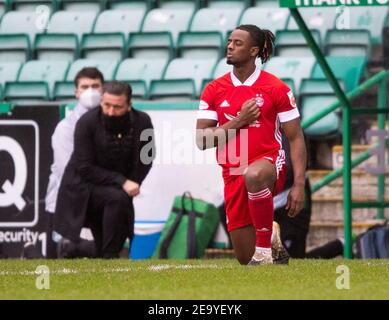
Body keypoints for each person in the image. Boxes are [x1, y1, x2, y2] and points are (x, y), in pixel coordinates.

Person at [196, 25, 307, 265]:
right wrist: (239, 121)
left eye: (238, 43)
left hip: (269, 162)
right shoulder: (213, 90)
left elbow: (296, 137)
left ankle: (265, 249)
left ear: (254, 50)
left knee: (254, 174)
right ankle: (271, 237)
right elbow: (202, 140)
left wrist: (299, 185)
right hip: (233, 170)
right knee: (246, 260)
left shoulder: (276, 88)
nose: (230, 46)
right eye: (229, 41)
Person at [54, 81, 155, 258]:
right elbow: (84, 167)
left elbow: (147, 158)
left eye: (117, 107)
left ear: (129, 105)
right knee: (118, 199)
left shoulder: (143, 121)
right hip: (83, 186)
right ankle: (109, 255)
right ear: (101, 101)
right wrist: (122, 181)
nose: (110, 111)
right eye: (106, 105)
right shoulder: (86, 123)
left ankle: (75, 249)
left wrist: (135, 182)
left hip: (116, 188)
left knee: (116, 209)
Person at [45, 67, 104, 258]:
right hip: (65, 203)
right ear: (76, 92)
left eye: (96, 86)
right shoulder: (65, 128)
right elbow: (68, 172)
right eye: (85, 87)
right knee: (59, 263)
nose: (91, 92)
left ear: (103, 90)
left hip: (97, 200)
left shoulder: (110, 124)